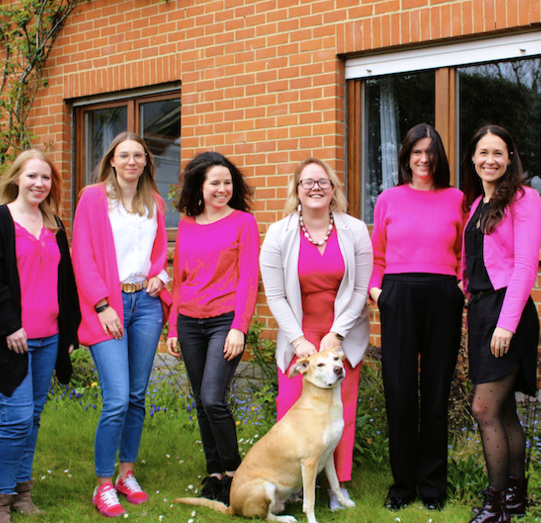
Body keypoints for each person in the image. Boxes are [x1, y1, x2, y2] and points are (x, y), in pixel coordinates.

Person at [0, 150, 80, 523]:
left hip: (48, 337)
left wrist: (68, 331)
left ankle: (22, 493)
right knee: (15, 418)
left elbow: (65, 284)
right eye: (33, 176)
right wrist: (9, 326)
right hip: (10, 339)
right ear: (17, 177)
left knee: (32, 417)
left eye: (46, 178)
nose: (39, 184)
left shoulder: (53, 224)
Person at [260, 157, 373, 510]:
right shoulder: (279, 233)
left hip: (342, 331)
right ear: (296, 190)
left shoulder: (355, 230)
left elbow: (360, 289)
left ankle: (339, 490)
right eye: (307, 182)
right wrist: (298, 341)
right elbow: (275, 295)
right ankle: (292, 483)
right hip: (300, 333)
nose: (315, 188)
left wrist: (337, 333)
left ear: (333, 189)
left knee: (342, 409)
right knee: (292, 406)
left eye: (323, 182)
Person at [72, 132, 170, 518]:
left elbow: (159, 252)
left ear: (146, 162)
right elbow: (81, 254)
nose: (131, 161)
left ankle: (126, 474)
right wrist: (101, 305)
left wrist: (160, 277)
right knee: (115, 398)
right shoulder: (94, 198)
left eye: (138, 155)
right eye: (123, 155)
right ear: (112, 160)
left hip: (145, 305)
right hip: (108, 305)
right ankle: (102, 485)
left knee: (136, 396)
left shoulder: (155, 203)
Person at [368, 123, 466, 512]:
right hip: (398, 295)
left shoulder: (457, 198)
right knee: (400, 391)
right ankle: (402, 484)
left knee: (437, 391)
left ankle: (432, 486)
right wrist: (379, 292)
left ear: (439, 156)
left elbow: (464, 254)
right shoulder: (388, 198)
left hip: (443, 296)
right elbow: (377, 253)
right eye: (416, 152)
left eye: (430, 152)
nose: (423, 159)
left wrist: (460, 288)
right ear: (406, 156)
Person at [165, 152, 259, 505]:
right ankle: (214, 474)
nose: (222, 189)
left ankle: (234, 474)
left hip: (224, 321)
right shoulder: (187, 224)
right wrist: (173, 327)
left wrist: (240, 326)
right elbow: (180, 280)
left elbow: (249, 279)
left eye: (227, 183)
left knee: (212, 398)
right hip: (189, 321)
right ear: (200, 188)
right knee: (200, 403)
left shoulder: (243, 223)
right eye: (215, 183)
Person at [460, 125, 541, 523]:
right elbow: (472, 261)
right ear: (473, 159)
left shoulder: (524, 199)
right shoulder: (477, 204)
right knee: (503, 411)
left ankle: (494, 505)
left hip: (507, 312)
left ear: (510, 159)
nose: (490, 159)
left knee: (484, 408)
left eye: (498, 152)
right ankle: (514, 498)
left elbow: (526, 265)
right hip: (481, 312)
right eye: (482, 152)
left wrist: (505, 324)